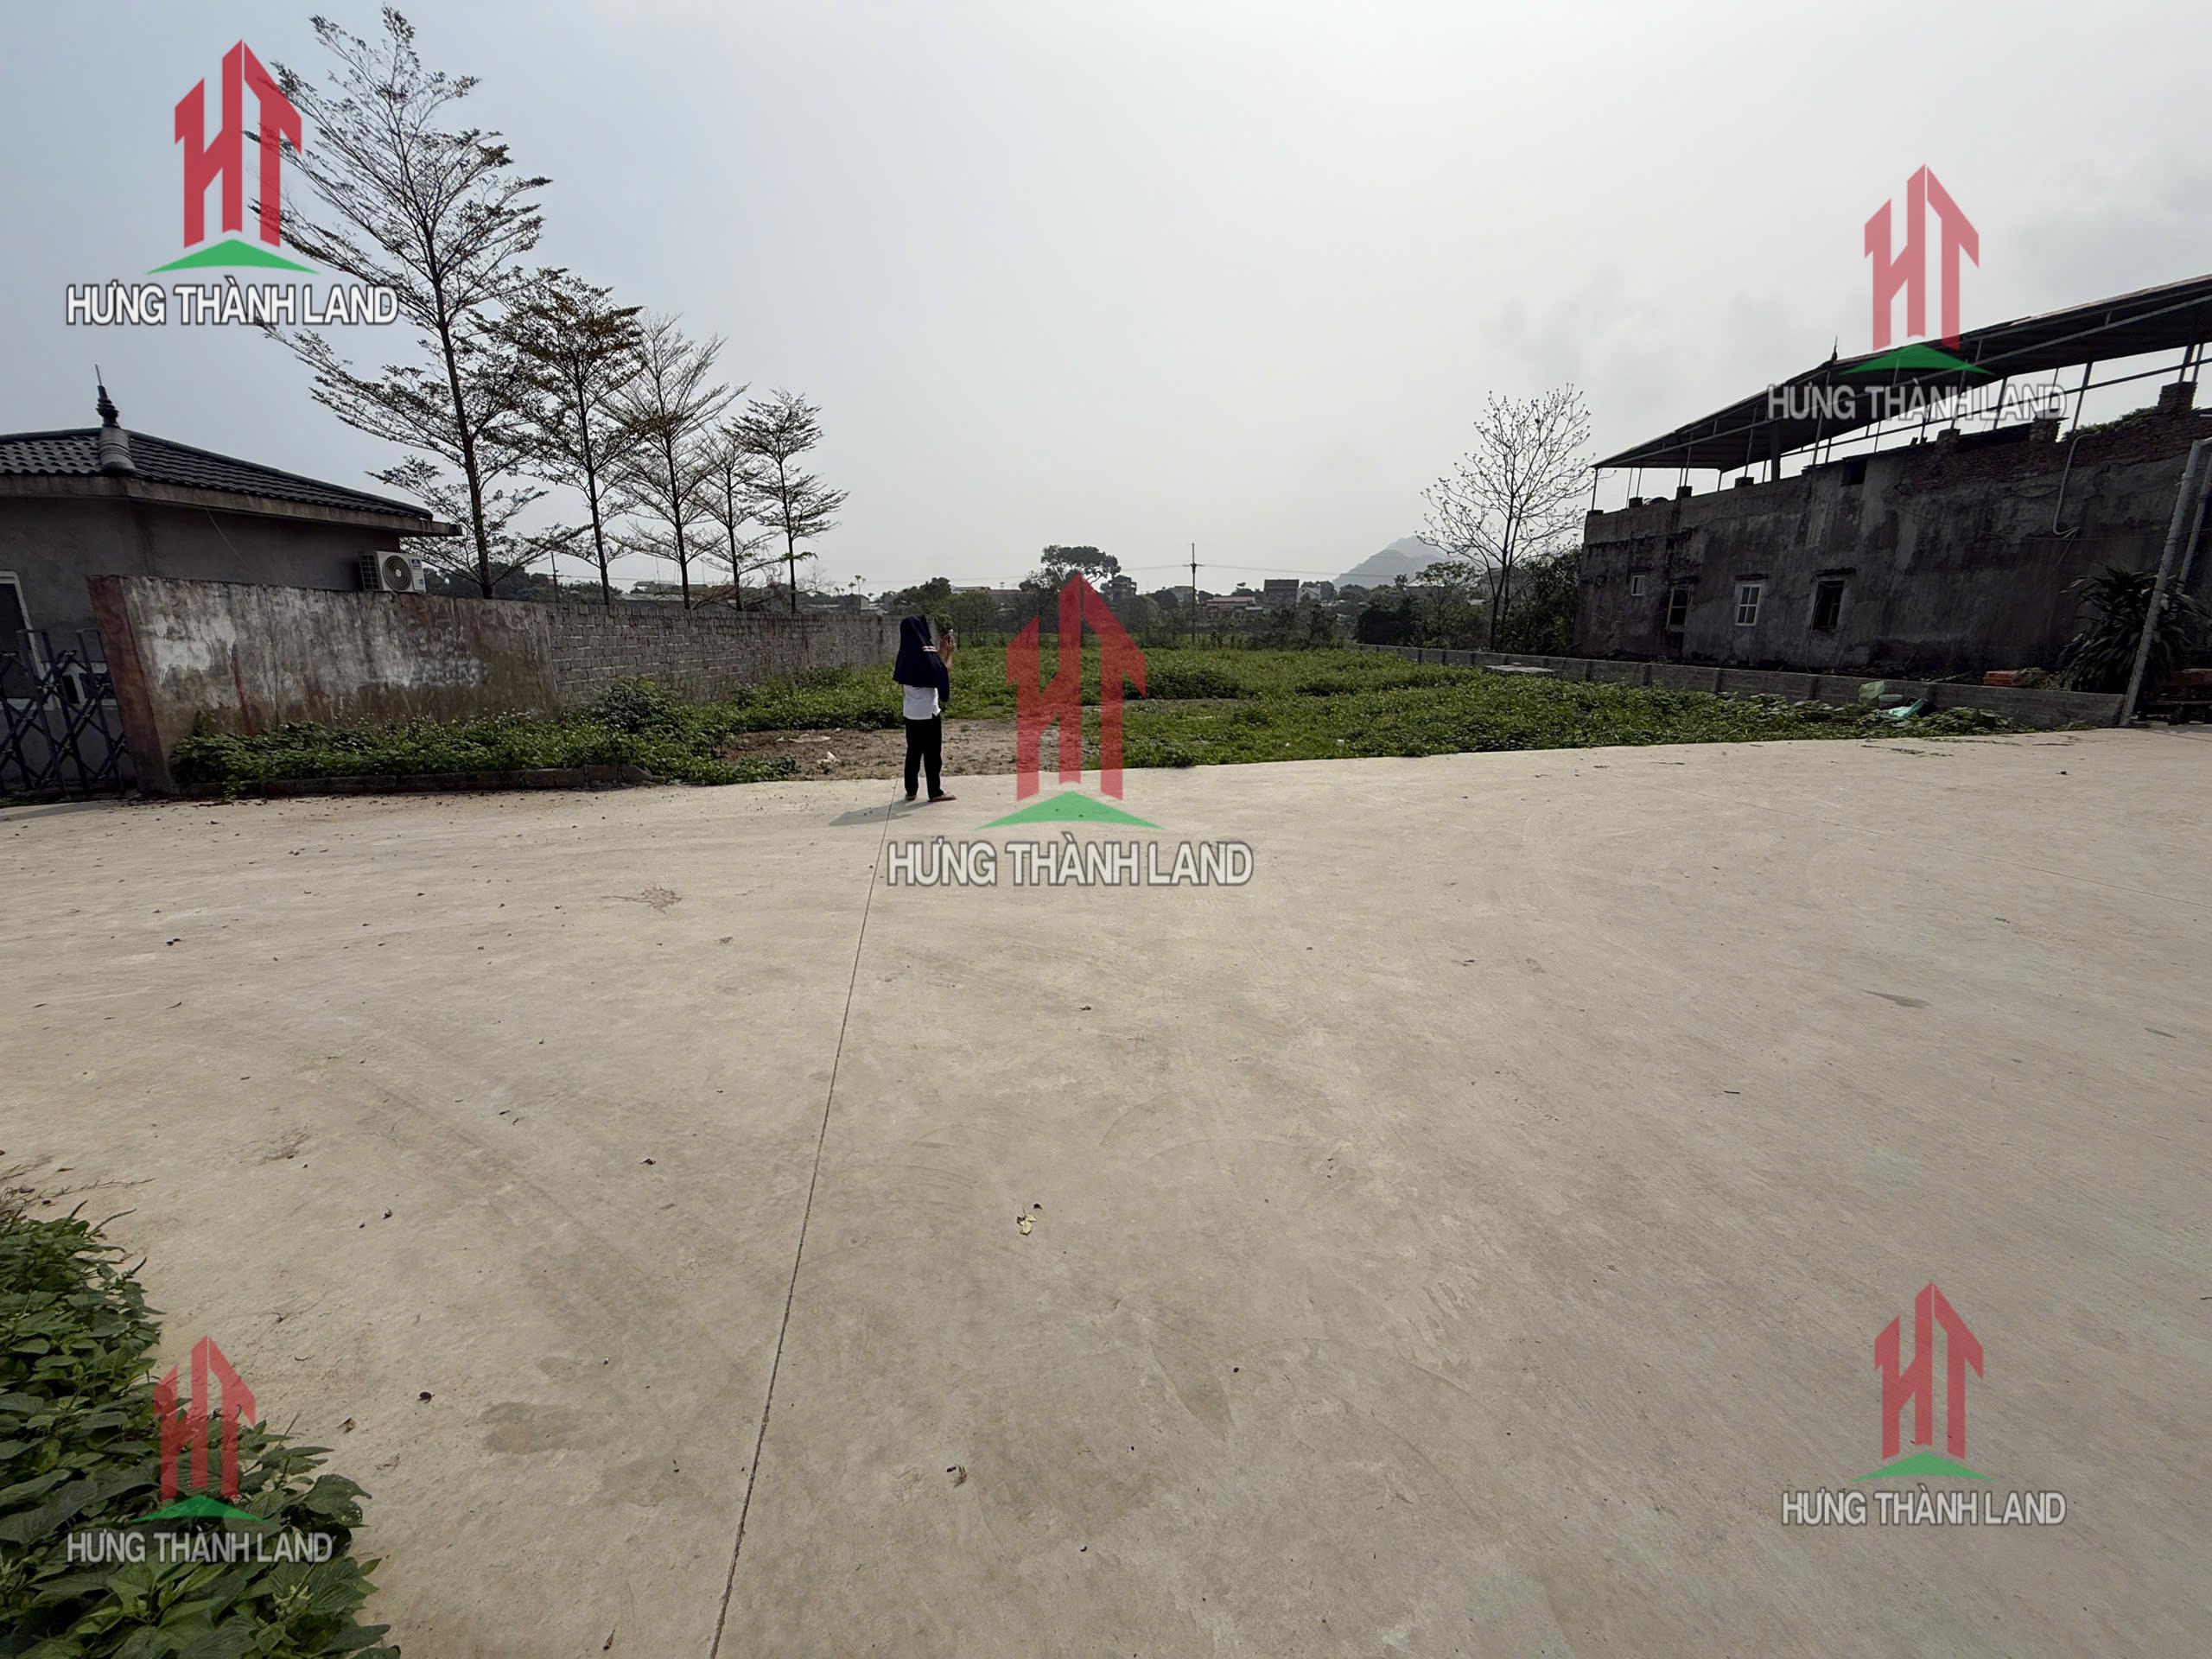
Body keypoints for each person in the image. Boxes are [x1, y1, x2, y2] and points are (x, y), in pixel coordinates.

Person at [892, 613, 956, 804]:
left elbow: (931, 666)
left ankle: (911, 791)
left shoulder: (906, 653)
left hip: (911, 713)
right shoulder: (925, 654)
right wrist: (949, 653)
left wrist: (939, 651)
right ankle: (935, 792)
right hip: (929, 713)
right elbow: (942, 671)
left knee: (913, 753)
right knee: (932, 755)